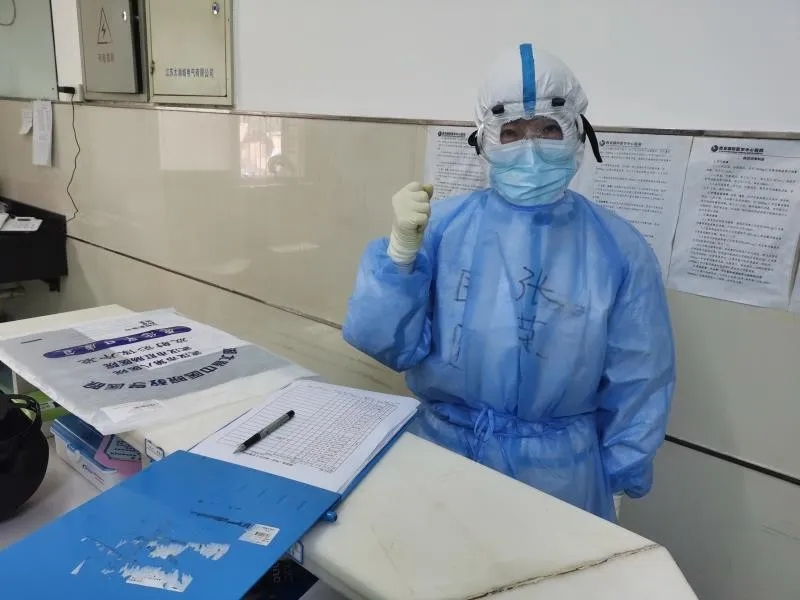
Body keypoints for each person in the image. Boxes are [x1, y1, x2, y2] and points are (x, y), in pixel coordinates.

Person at [342, 43, 675, 521]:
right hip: (442, 456)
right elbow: (386, 345)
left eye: (548, 129)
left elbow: (640, 376)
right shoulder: (443, 229)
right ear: (484, 140)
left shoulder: (617, 248)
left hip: (561, 478)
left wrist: (621, 474)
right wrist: (399, 257)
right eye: (512, 132)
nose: (530, 148)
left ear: (577, 132)